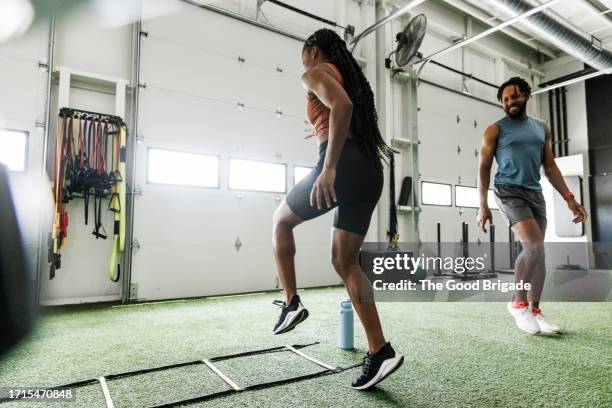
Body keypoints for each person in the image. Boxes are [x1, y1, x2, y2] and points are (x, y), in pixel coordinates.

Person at [271, 29, 403, 389]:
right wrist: (317, 126)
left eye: (304, 57)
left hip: (342, 166)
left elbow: (341, 107)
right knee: (345, 261)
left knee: (280, 220)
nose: (304, 66)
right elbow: (338, 111)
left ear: (314, 51)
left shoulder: (314, 72)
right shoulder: (343, 75)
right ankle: (380, 351)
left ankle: (291, 302)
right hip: (368, 172)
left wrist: (328, 167)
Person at [477, 77, 588, 335]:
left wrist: (569, 199)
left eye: (514, 96)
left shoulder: (541, 129)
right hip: (508, 191)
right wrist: (482, 205)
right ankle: (518, 302)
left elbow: (549, 166)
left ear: (527, 95)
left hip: (535, 194)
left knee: (540, 255)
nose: (510, 102)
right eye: (505, 99)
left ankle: (536, 311)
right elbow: (483, 169)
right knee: (534, 246)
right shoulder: (495, 130)